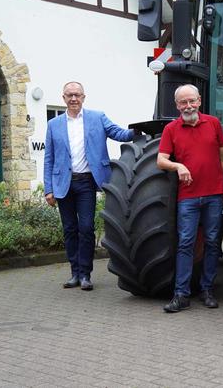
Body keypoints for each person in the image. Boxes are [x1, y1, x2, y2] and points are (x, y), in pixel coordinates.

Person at [44, 81, 135, 291]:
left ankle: (86, 274)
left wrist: (137, 131)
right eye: (69, 95)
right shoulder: (54, 124)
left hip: (86, 182)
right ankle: (74, 273)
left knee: (86, 228)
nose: (73, 98)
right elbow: (49, 158)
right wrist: (48, 188)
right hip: (63, 184)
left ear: (84, 97)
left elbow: (118, 133)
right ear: (63, 98)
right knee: (69, 229)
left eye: (77, 95)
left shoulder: (97, 117)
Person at [158, 84, 223, 312]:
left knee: (211, 242)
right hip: (188, 196)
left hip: (214, 194)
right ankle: (181, 294)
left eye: (191, 101)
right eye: (183, 102)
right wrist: (178, 165)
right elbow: (161, 160)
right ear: (177, 105)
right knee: (186, 243)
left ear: (199, 101)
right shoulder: (171, 128)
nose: (188, 106)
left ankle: (207, 289)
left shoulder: (213, 123)